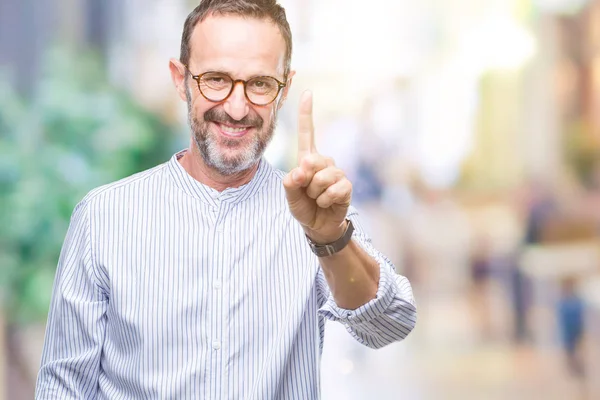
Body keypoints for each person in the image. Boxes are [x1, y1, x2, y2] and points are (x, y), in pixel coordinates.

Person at [35, 1, 417, 398]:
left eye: (260, 84)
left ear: (283, 89)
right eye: (216, 79)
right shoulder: (103, 219)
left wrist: (330, 240)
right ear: (180, 79)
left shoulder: (318, 214)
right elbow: (62, 389)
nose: (236, 108)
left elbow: (390, 325)